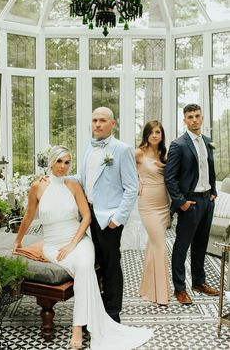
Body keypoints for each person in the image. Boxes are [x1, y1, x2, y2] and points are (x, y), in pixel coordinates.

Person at [13, 145, 152, 350]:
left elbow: (87, 217)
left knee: (85, 267)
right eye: (59, 161)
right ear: (51, 162)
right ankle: (85, 324)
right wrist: (18, 240)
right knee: (84, 271)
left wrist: (73, 243)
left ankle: (77, 328)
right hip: (52, 245)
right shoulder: (38, 186)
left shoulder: (73, 185)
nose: (63, 166)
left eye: (67, 162)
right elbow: (29, 216)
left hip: (78, 241)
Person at [74, 106, 139, 324]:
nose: (97, 124)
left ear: (113, 123)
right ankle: (97, 308)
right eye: (94, 120)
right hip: (88, 214)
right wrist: (58, 178)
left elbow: (132, 187)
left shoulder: (122, 149)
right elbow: (83, 179)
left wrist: (117, 219)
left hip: (109, 218)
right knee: (96, 262)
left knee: (111, 264)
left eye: (102, 120)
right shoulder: (87, 147)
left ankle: (112, 314)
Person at [164, 103, 220, 305]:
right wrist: (181, 203)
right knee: (181, 246)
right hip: (191, 202)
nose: (194, 120)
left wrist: (213, 191)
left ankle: (199, 282)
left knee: (201, 244)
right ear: (184, 120)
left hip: (207, 201)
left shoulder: (207, 141)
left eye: (197, 116)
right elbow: (169, 178)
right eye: (190, 117)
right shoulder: (178, 144)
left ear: (202, 118)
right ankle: (180, 288)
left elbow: (209, 169)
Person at [135, 120, 170, 306]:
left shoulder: (163, 153)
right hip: (147, 203)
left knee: (153, 246)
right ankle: (162, 295)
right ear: (146, 134)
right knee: (160, 246)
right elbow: (124, 171)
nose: (155, 135)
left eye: (158, 132)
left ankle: (148, 290)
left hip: (163, 202)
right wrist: (136, 183)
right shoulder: (138, 152)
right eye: (151, 132)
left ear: (161, 135)